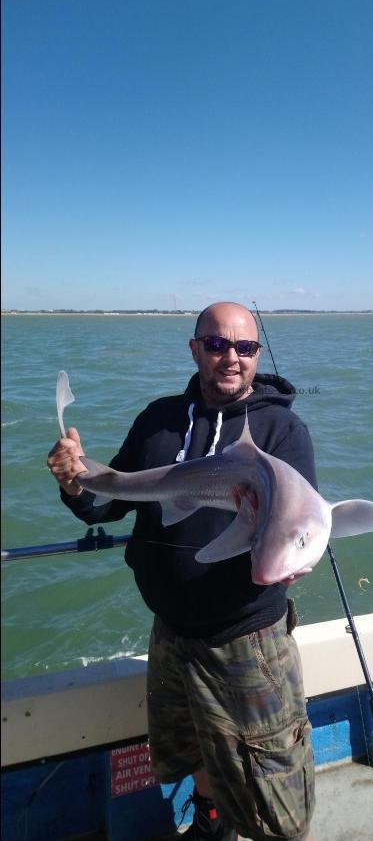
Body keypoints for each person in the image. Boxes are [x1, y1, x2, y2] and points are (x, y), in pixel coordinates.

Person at [47, 302, 316, 841]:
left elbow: (301, 524)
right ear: (194, 350)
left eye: (244, 347)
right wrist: (75, 479)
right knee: (192, 745)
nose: (231, 358)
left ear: (257, 354)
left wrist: (290, 552)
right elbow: (110, 503)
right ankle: (211, 819)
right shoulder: (159, 419)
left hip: (247, 639)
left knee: (278, 797)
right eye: (216, 345)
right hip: (170, 632)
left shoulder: (281, 431)